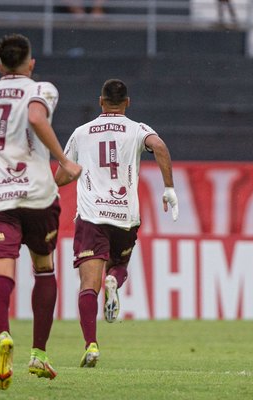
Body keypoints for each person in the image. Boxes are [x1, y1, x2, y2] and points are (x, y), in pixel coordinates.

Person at [0, 33, 81, 390]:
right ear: (30, 63)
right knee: (44, 269)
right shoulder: (41, 88)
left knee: (2, 271)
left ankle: (2, 336)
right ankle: (39, 354)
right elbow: (34, 116)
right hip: (35, 195)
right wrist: (64, 160)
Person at [55, 79, 178, 368]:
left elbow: (63, 175)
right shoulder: (138, 129)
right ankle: (114, 281)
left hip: (92, 217)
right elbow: (159, 145)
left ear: (100, 101)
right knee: (119, 266)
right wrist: (169, 187)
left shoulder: (81, 133)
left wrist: (64, 179)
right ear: (128, 102)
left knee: (88, 284)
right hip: (125, 217)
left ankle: (91, 345)